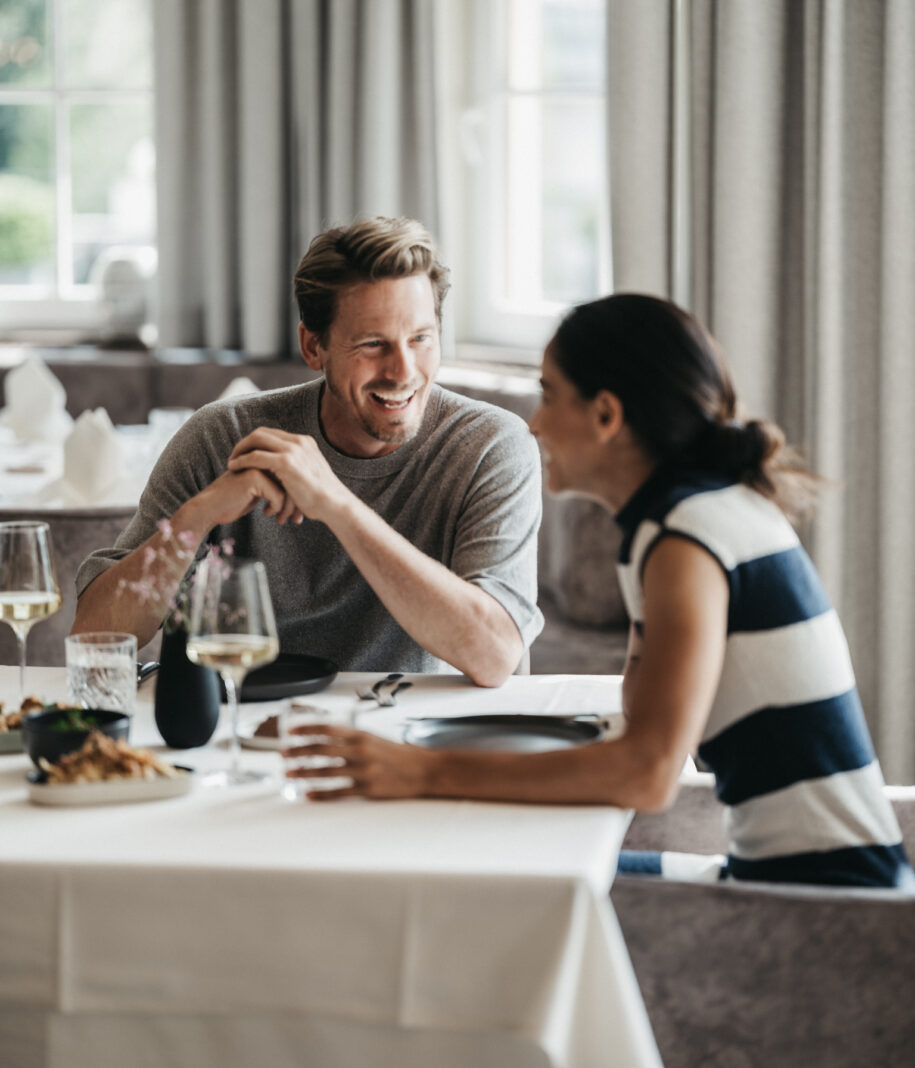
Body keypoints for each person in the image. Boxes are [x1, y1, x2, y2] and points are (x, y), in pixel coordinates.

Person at [284, 293, 915, 890]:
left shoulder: (686, 541)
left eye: (549, 396)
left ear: (606, 415)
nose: (534, 426)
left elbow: (647, 775)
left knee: (501, 896)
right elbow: (642, 718)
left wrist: (423, 771)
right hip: (792, 879)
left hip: (815, 905)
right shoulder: (691, 516)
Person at [72, 217, 543, 685]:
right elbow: (95, 638)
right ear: (313, 347)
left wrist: (335, 504)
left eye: (421, 339)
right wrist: (201, 515)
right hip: (243, 726)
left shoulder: (490, 446)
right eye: (373, 343)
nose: (403, 371)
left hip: (406, 734)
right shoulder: (221, 436)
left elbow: (494, 654)